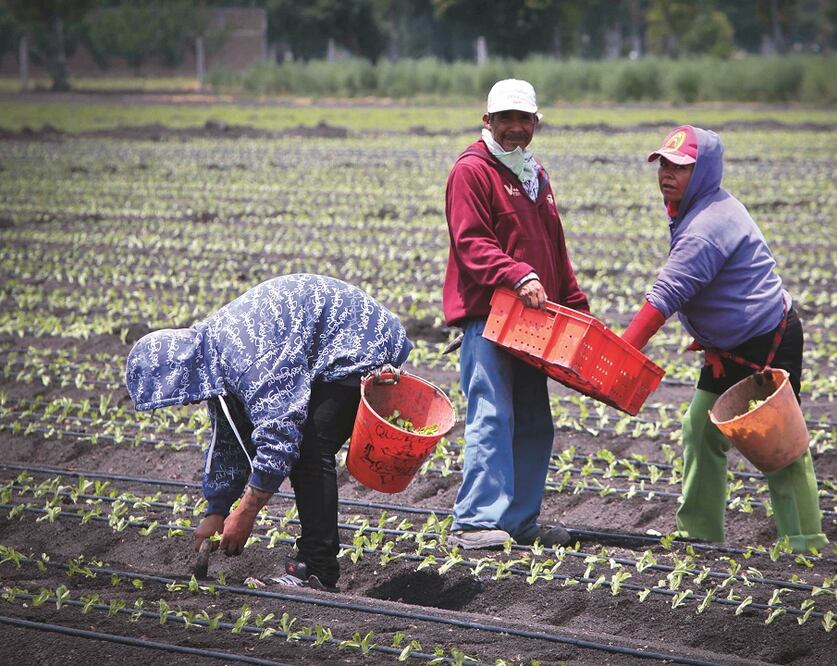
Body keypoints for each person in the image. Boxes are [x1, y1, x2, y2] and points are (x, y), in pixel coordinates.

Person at [125, 274, 412, 589]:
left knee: (310, 449)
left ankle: (317, 569)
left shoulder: (247, 358)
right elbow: (230, 436)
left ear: (180, 371)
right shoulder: (212, 356)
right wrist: (217, 510)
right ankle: (316, 564)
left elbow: (280, 436)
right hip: (331, 340)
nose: (181, 404)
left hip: (360, 340)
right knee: (303, 443)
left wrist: (246, 511)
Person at [621, 126, 828, 553]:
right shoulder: (697, 207)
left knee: (779, 446)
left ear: (704, 171)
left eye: (679, 166)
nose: (666, 173)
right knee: (699, 427)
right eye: (663, 163)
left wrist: (621, 354)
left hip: (767, 341)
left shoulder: (706, 224)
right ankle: (699, 533)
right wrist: (709, 331)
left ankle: (805, 544)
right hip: (730, 347)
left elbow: (666, 296)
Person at [442, 79, 589, 549]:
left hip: (533, 318)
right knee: (492, 413)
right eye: (505, 119)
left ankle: (520, 522)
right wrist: (517, 274)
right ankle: (473, 521)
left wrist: (578, 309)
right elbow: (471, 243)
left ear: (535, 124)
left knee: (533, 420)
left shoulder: (534, 175)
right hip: (489, 313)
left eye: (524, 120)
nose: (515, 128)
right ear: (487, 121)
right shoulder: (472, 171)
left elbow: (554, 248)